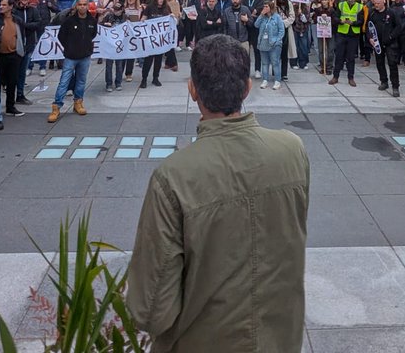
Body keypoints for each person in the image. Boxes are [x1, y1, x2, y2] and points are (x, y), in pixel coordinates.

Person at [126, 33, 309, 352]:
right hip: (281, 340)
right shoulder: (292, 150)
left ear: (192, 89)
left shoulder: (174, 177)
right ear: (248, 88)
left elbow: (151, 308)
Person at [48, 1, 97, 123]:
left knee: (81, 81)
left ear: (87, 7)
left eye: (85, 5)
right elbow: (61, 36)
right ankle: (56, 107)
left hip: (85, 56)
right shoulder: (69, 21)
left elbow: (93, 34)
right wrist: (69, 47)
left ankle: (78, 102)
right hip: (70, 57)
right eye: (80, 4)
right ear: (76, 6)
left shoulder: (92, 21)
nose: (82, 7)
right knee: (64, 82)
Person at [329, 0, 364, 88]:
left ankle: (351, 78)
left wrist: (353, 23)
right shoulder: (341, 5)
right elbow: (335, 17)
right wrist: (341, 21)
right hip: (342, 33)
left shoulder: (360, 7)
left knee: (351, 57)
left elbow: (361, 21)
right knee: (339, 56)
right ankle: (335, 77)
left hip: (353, 34)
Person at [254, 0, 285, 90]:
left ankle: (277, 81)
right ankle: (265, 80)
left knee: (275, 62)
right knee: (264, 63)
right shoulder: (263, 17)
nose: (264, 8)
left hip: (274, 44)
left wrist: (277, 40)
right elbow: (256, 25)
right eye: (264, 6)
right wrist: (261, 15)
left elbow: (281, 30)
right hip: (263, 43)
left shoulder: (277, 17)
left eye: (266, 6)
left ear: (271, 8)